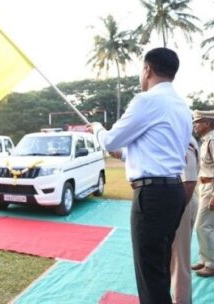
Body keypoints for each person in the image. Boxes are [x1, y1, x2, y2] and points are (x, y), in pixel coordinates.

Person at [88, 47, 191, 303]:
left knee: (150, 274)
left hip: (152, 196)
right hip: (173, 191)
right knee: (159, 266)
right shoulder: (182, 106)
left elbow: (110, 139)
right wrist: (125, 155)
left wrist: (97, 129)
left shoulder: (146, 101)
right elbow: (161, 150)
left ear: (147, 70)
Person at [170, 136, 199, 303]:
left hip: (183, 201)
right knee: (175, 258)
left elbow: (188, 182)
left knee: (179, 259)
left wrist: (175, 213)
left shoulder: (183, 141)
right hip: (181, 200)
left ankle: (181, 301)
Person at [193, 110, 214, 277]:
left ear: (207, 123)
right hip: (204, 187)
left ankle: (211, 264)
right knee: (206, 225)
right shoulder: (205, 141)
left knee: (202, 225)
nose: (194, 125)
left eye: (197, 121)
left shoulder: (213, 141)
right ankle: (204, 259)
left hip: (211, 188)